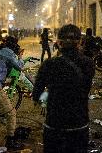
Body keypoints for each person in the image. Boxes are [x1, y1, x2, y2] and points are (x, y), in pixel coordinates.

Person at [33, 24, 95, 153]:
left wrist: (46, 96)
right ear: (80, 42)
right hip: (79, 123)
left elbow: (37, 96)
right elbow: (85, 88)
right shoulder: (88, 63)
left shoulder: (48, 65)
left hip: (54, 124)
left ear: (58, 43)